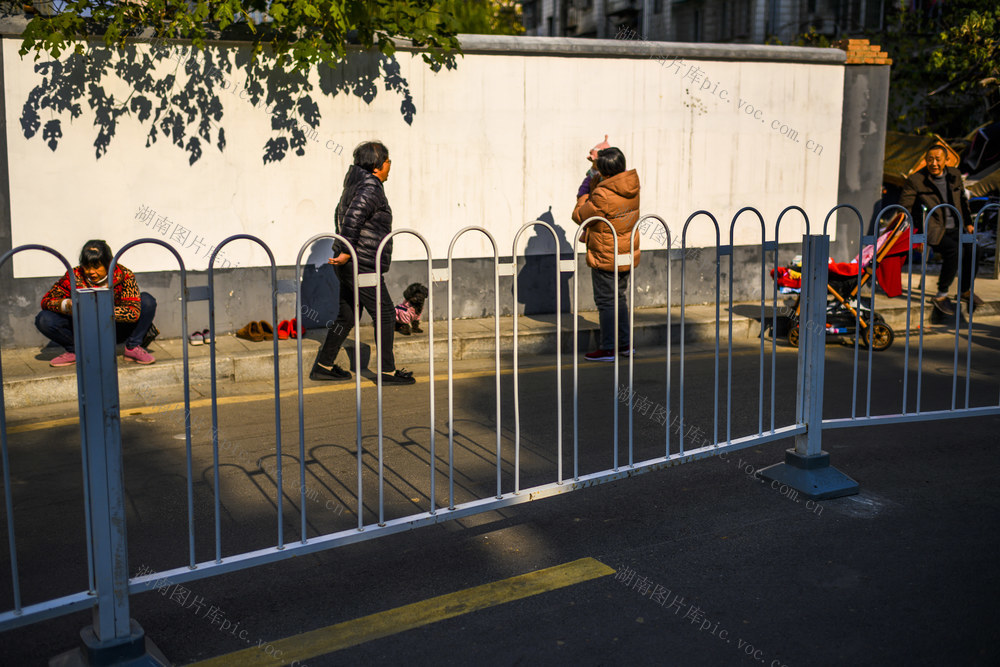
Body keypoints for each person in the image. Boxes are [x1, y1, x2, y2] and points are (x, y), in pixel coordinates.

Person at [311, 141, 415, 385]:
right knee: (386, 313)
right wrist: (348, 250)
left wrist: (345, 251)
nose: (391, 166)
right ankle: (387, 372)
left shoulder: (356, 184)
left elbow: (345, 215)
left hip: (351, 262)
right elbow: (354, 216)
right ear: (377, 165)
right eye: (388, 161)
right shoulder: (370, 186)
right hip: (361, 263)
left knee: (347, 315)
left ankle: (324, 365)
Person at [36, 240, 157, 367]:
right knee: (44, 319)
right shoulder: (74, 275)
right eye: (87, 267)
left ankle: (132, 347)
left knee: (147, 301)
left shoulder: (124, 275)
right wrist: (67, 305)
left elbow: (133, 313)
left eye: (96, 266)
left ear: (109, 263)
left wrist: (99, 310)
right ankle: (76, 351)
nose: (91, 272)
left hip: (115, 328)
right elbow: (46, 301)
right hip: (83, 329)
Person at [571, 145, 641, 361]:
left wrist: (585, 189)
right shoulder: (631, 185)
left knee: (606, 301)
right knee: (619, 298)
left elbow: (580, 215)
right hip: (625, 250)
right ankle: (625, 345)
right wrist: (597, 166)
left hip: (605, 252)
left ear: (604, 172)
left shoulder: (602, 193)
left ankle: (609, 348)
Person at [899, 144, 982, 315]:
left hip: (956, 226)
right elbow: (905, 208)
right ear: (926, 161)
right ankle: (941, 294)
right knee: (954, 251)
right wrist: (918, 234)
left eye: (938, 159)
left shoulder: (954, 175)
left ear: (946, 160)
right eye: (930, 159)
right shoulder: (916, 180)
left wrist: (967, 222)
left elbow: (962, 200)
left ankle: (965, 290)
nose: (934, 163)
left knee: (974, 249)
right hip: (933, 228)